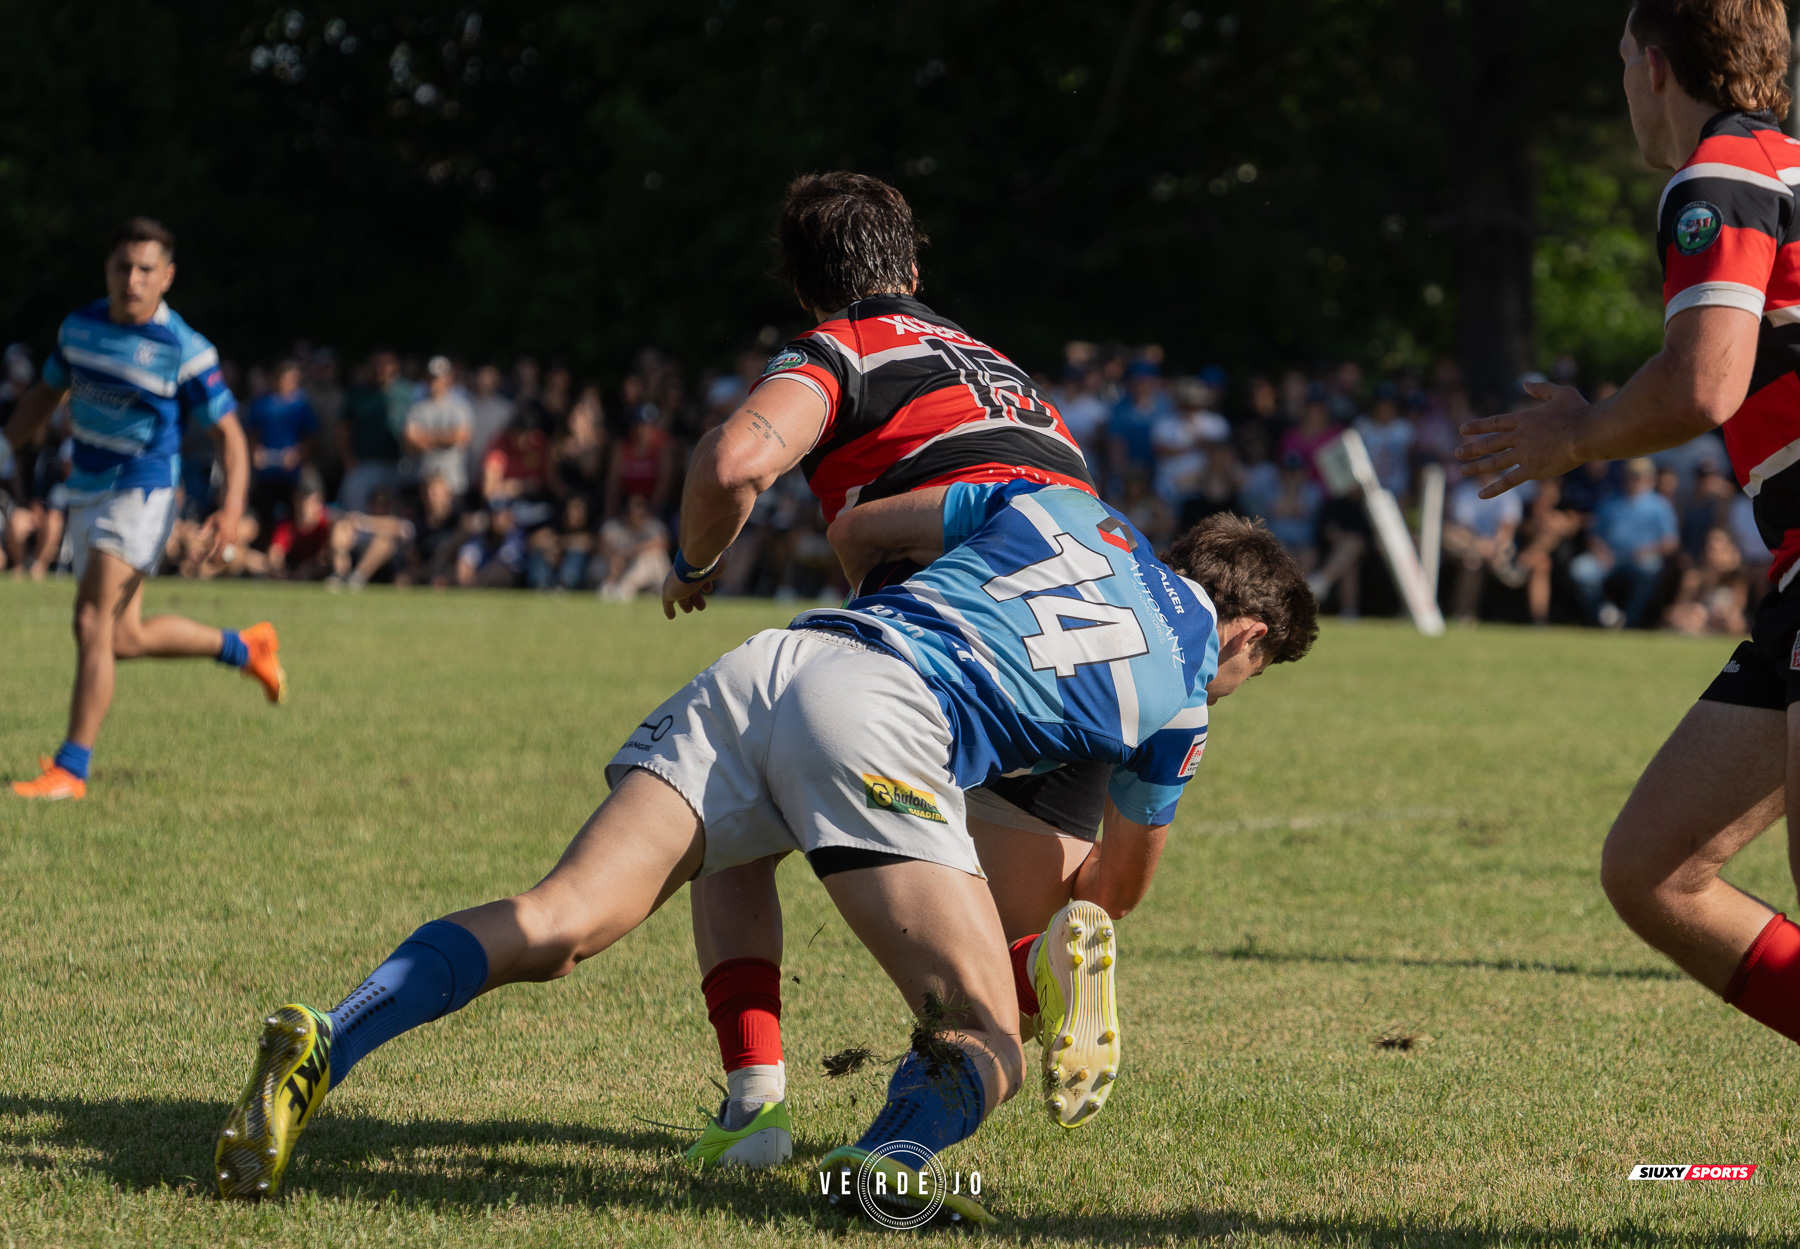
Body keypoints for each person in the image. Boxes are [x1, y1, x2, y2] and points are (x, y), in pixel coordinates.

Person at [211, 483, 1315, 1218]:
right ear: (1250, 636)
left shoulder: (1067, 503)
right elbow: (1113, 891)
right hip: (886, 717)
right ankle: (880, 1168)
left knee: (560, 918)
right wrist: (1057, 921)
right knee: (990, 1032)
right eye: (1255, 671)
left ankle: (329, 1035)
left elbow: (867, 527)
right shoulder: (1184, 695)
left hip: (783, 658)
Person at [659, 171, 1191, 1163]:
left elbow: (734, 464)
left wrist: (696, 561)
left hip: (950, 647)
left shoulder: (842, 346)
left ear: (804, 284)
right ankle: (1043, 970)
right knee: (993, 972)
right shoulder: (1003, 365)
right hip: (1091, 647)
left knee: (734, 822)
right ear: (911, 261)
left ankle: (755, 1106)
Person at [1456, 0, 1800, 1060]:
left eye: (1619, 65)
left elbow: (1704, 382)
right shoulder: (1783, 164)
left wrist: (1577, 435)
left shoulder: (1723, 174)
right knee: (1656, 866)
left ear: (1655, 67)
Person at [3, 218, 285, 801]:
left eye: (145, 269)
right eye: (122, 267)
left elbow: (231, 437)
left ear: (167, 277)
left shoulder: (183, 348)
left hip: (144, 493)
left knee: (91, 623)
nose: (132, 279)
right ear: (107, 270)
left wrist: (230, 511)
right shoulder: (79, 327)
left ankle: (71, 771)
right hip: (87, 487)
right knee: (123, 637)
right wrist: (6, 445)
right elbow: (45, 392)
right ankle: (246, 647)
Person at [1568, 457, 1678, 627]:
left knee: (1650, 568)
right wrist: (1601, 552)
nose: (1635, 480)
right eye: (1631, 475)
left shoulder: (1660, 505)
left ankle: (1629, 620)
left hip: (1640, 560)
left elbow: (1670, 542)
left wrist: (1648, 551)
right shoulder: (1609, 501)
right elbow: (1593, 535)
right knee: (1580, 571)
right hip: (1609, 558)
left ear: (1650, 478)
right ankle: (1603, 615)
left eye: (1640, 476)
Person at [243, 359, 317, 529]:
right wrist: (254, 452)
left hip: (292, 473)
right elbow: (251, 433)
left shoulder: (302, 404)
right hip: (266, 472)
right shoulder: (260, 403)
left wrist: (299, 454)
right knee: (263, 516)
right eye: (283, 378)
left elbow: (312, 436)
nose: (287, 382)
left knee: (294, 518)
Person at [337, 353, 405, 514]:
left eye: (385, 365)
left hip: (398, 465)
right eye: (376, 365)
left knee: (393, 511)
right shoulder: (357, 393)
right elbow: (343, 429)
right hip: (364, 463)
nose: (380, 369)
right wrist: (348, 459)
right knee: (356, 511)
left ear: (395, 367)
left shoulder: (406, 392)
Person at [402, 356, 473, 499]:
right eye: (432, 378)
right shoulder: (417, 408)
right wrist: (446, 438)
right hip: (421, 480)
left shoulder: (460, 407)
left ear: (449, 379)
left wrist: (425, 436)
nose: (435, 382)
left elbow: (461, 437)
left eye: (440, 378)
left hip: (454, 482)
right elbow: (410, 439)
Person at [596, 492, 670, 599]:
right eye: (635, 508)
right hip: (615, 566)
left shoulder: (653, 525)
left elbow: (663, 544)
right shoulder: (613, 526)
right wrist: (613, 559)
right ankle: (611, 586)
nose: (639, 512)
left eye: (642, 508)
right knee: (597, 564)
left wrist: (631, 552)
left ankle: (627, 587)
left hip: (640, 569)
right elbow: (601, 546)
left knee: (654, 556)